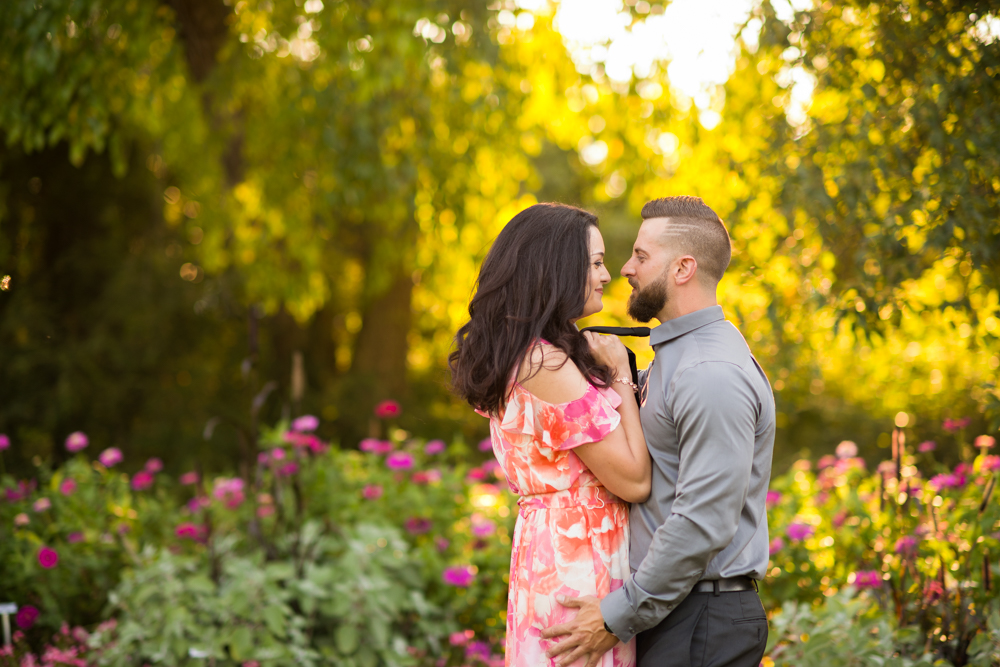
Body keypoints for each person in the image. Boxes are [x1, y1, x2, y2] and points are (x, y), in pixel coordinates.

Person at [541, 196, 776, 667]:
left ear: (683, 268)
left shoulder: (710, 372)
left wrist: (615, 616)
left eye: (642, 257)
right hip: (676, 612)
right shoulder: (679, 357)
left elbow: (702, 521)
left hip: (701, 621)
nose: (624, 268)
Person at [449, 203, 653, 667]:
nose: (606, 275)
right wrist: (621, 372)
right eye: (596, 262)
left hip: (556, 550)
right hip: (577, 562)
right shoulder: (547, 366)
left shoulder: (534, 355)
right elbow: (635, 480)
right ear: (557, 268)